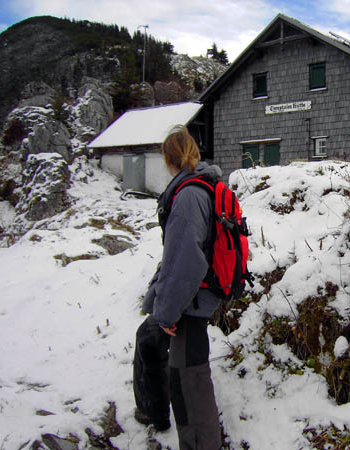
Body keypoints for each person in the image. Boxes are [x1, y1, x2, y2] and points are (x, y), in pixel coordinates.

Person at [133, 125, 223, 450]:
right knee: (148, 338)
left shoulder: (188, 196)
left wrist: (168, 313)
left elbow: (185, 261)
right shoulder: (202, 187)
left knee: (189, 384)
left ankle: (202, 444)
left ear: (168, 159)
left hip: (191, 302)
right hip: (194, 294)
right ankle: (152, 411)